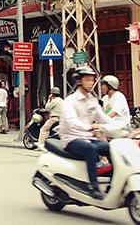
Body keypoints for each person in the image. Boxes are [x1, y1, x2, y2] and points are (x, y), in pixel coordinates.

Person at [59, 66, 111, 200]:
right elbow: (72, 122)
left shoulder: (91, 100)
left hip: (87, 137)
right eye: (88, 80)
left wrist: (120, 124)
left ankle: (113, 183)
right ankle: (93, 186)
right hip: (71, 139)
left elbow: (102, 117)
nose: (91, 83)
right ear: (79, 82)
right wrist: (90, 127)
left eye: (92, 80)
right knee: (91, 150)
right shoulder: (70, 101)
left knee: (110, 148)